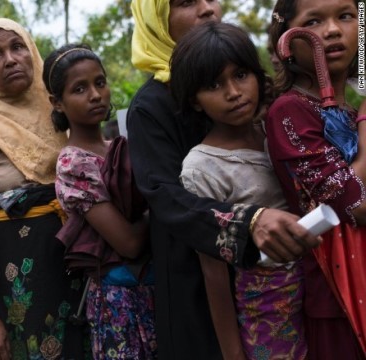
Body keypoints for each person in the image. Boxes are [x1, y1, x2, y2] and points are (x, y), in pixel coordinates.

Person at [126, 0, 320, 358]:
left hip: (285, 287)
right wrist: (248, 222)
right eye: (186, 3)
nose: (206, 10)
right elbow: (166, 197)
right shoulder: (150, 106)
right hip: (198, 278)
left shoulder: (267, 114)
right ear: (155, 20)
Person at [0, 18, 87, 360]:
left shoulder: (62, 113)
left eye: (17, 47)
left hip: (79, 270)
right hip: (19, 283)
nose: (9, 59)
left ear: (33, 53)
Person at [172, 22, 306, 359]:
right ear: (195, 100)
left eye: (241, 74)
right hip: (269, 308)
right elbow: (214, 273)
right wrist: (233, 354)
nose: (233, 92)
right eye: (215, 84)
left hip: (320, 287)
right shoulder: (202, 168)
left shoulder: (277, 128)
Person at [265, 0, 366, 358]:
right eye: (314, 21)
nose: (333, 30)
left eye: (345, 16)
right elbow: (357, 205)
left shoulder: (351, 110)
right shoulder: (288, 111)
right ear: (288, 39)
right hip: (336, 298)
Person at [47, 44, 156, 359]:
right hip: (121, 302)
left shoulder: (116, 146)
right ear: (57, 103)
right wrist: (162, 201)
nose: (95, 94)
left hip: (153, 290)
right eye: (79, 89)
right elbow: (129, 244)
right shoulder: (73, 164)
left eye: (99, 82)